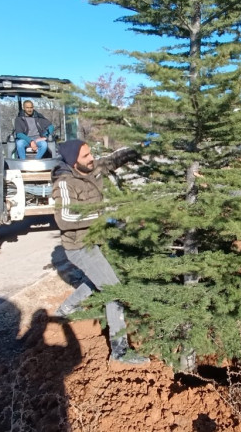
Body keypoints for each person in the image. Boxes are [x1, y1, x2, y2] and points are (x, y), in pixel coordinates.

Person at [52, 139, 148, 365]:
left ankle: (66, 309)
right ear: (74, 162)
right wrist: (102, 218)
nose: (91, 158)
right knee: (113, 290)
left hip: (96, 240)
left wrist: (140, 144)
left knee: (98, 280)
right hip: (79, 246)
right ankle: (120, 351)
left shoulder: (92, 168)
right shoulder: (65, 183)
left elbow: (114, 160)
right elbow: (64, 219)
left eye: (91, 153)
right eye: (86, 156)